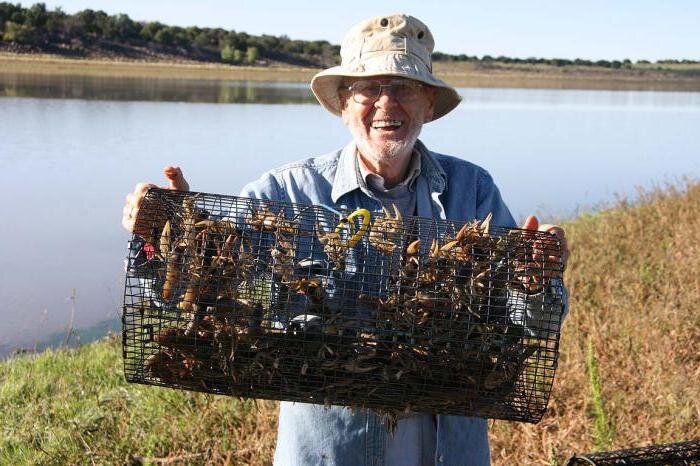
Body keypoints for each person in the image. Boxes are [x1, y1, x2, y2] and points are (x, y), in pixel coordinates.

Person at [122, 13, 569, 466]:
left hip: (448, 450)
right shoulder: (287, 194)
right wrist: (172, 236)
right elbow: (188, 297)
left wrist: (536, 279)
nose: (386, 104)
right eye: (369, 88)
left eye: (405, 87)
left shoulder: (472, 190)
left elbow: (530, 325)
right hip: (330, 451)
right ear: (342, 102)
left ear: (429, 104)